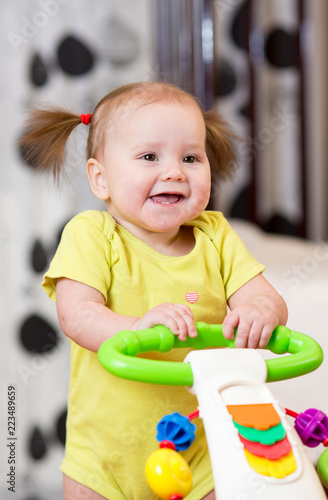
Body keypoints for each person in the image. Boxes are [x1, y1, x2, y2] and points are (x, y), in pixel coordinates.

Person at [19, 81, 288, 500]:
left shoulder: (215, 235)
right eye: (149, 157)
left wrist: (261, 312)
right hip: (105, 458)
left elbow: (267, 298)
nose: (175, 171)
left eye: (191, 157)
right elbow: (77, 315)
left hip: (203, 447)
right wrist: (136, 326)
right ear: (100, 178)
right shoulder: (91, 234)